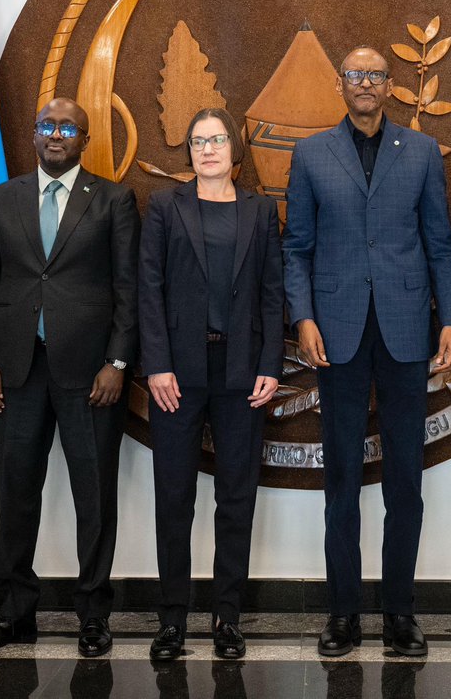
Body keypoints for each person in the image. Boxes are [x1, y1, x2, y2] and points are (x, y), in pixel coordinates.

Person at [283, 46, 451, 658]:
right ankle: (342, 614)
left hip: (408, 328)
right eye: (355, 75)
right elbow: (296, 247)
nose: (365, 84)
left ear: (390, 86)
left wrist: (450, 320)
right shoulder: (310, 153)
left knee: (405, 481)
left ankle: (400, 614)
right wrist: (303, 317)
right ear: (341, 84)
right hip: (334, 333)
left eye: (376, 75)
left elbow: (440, 242)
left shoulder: (419, 151)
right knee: (341, 480)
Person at [0, 98, 140, 657]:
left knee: (94, 497)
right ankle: (14, 612)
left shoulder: (114, 198)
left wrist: (116, 363)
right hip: (13, 372)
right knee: (16, 494)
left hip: (91, 375)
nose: (57, 133)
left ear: (85, 138)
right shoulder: (2, 198)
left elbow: (127, 292)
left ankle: (93, 614)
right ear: (34, 134)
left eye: (68, 127)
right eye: (47, 125)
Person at [138, 108, 284, 661]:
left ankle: (228, 618)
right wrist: (155, 364)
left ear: (235, 149)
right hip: (177, 374)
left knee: (235, 498)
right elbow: (148, 288)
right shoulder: (164, 207)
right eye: (198, 141)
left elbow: (274, 292)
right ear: (189, 151)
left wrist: (271, 362)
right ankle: (172, 621)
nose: (207, 149)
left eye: (217, 139)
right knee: (173, 498)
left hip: (243, 373)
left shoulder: (260, 210)